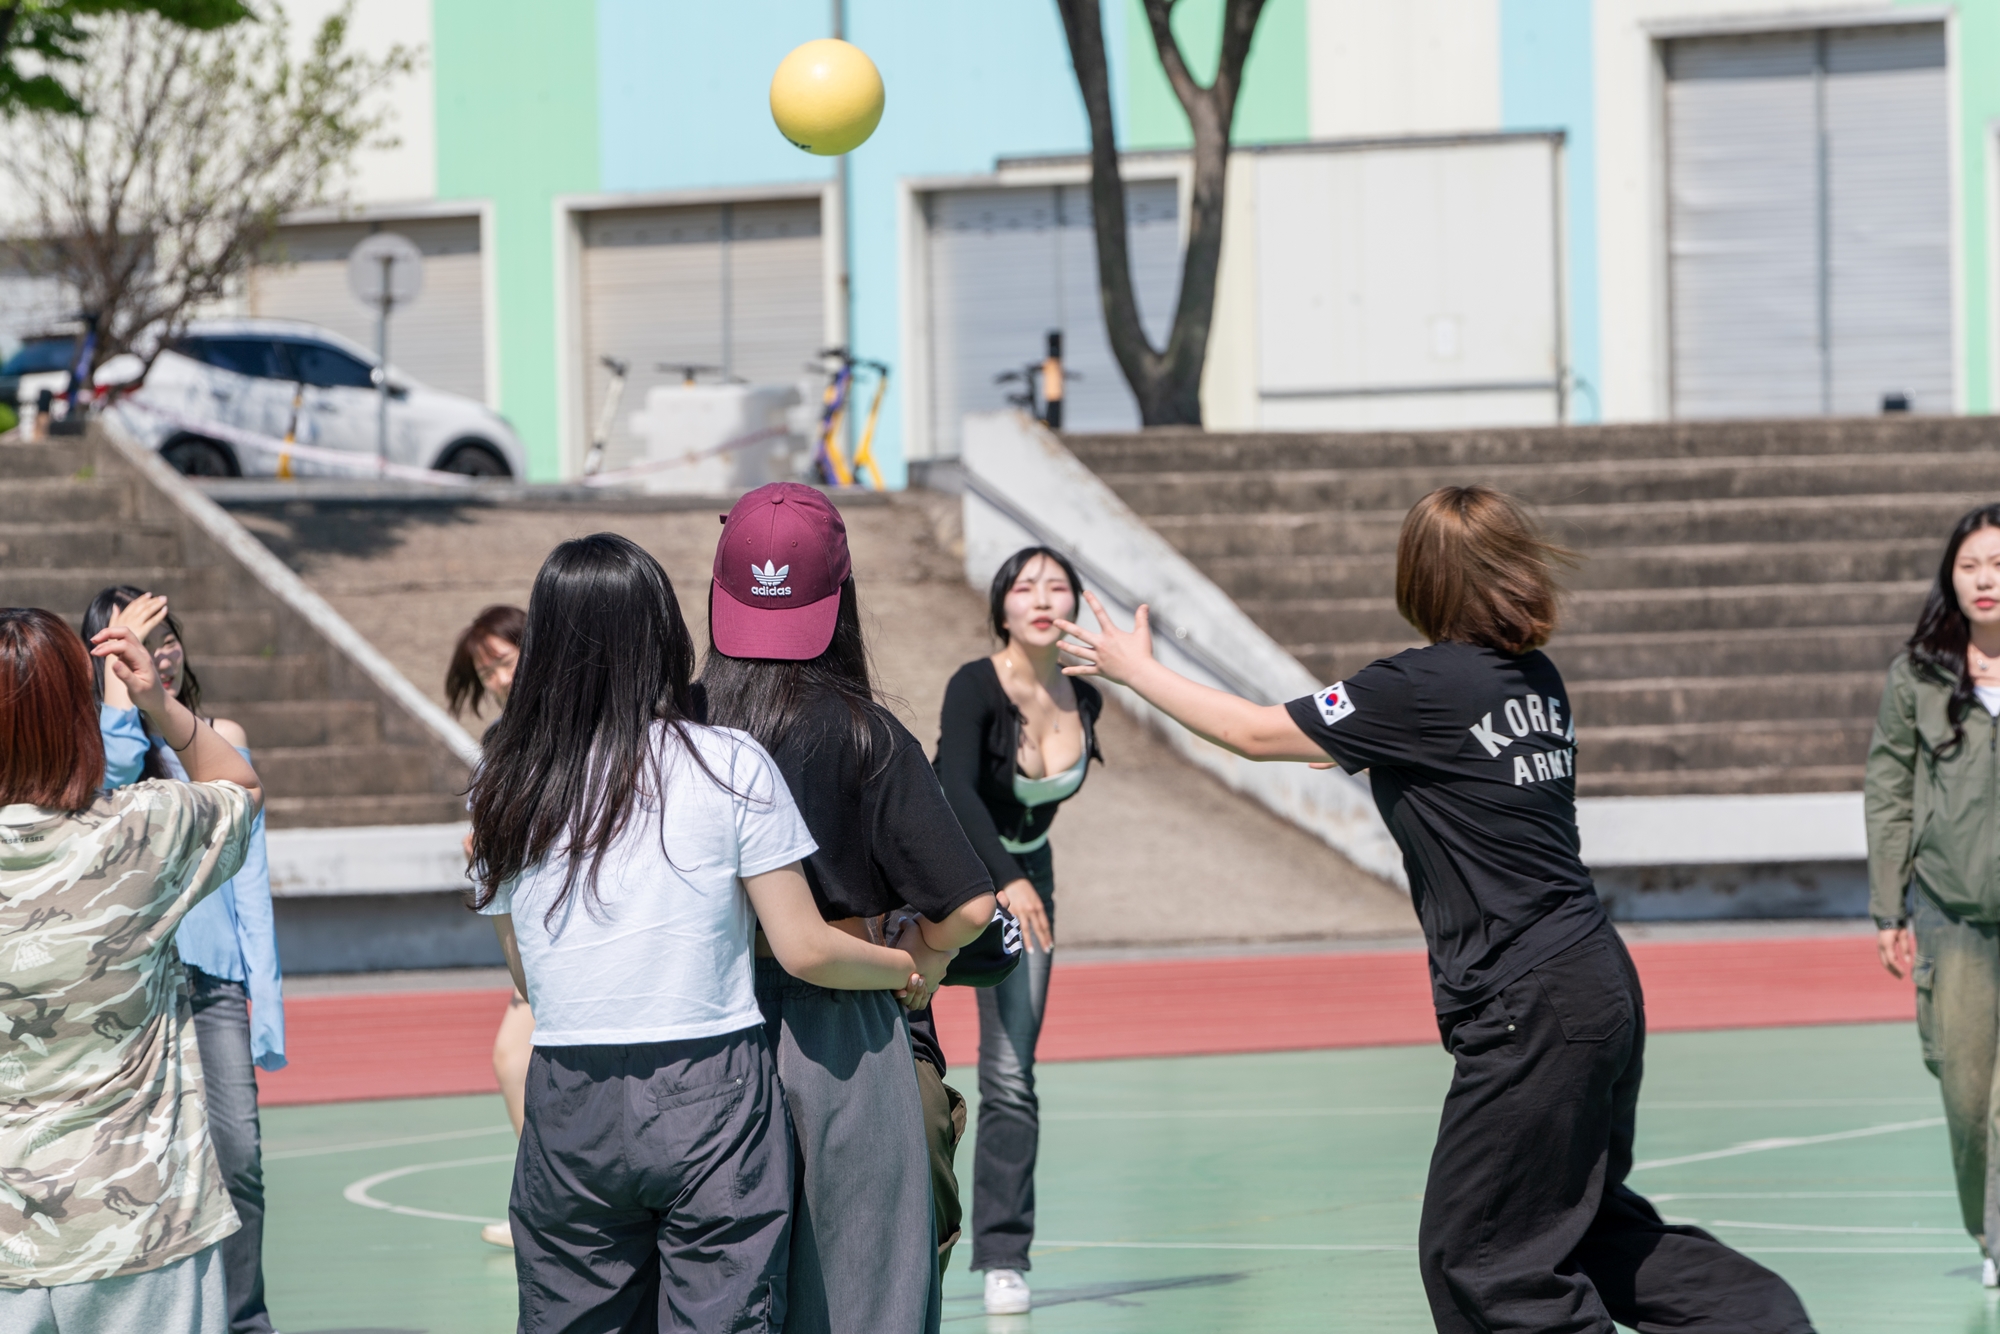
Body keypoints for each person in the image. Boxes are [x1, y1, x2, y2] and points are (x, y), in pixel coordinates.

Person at [1056, 486, 1815, 1334]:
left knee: (1479, 1258)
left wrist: (1135, 670)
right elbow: (1453, 768)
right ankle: (1760, 1318)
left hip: (1528, 1002)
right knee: (1587, 1227)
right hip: (1597, 983)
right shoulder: (1534, 679)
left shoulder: (1415, 687)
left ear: (1419, 579)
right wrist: (1359, 746)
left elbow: (1251, 732)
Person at [467, 533, 933, 1333]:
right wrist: (898, 968)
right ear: (664, 636)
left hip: (569, 1089)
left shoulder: (507, 781)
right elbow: (805, 948)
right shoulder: (725, 763)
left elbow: (527, 975)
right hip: (707, 1080)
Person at [700, 482, 997, 1334]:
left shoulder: (679, 722)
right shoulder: (867, 734)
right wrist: (923, 964)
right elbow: (969, 903)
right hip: (843, 1035)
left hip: (701, 1021)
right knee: (864, 1295)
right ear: (841, 597)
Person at [0, 609, 263, 1332]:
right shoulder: (137, 830)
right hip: (140, 1223)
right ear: (78, 719)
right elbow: (240, 788)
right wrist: (158, 703)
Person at [81, 586, 286, 1334]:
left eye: (163, 635)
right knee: (141, 1167)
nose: (156, 650)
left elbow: (251, 875)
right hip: (130, 987)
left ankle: (243, 1318)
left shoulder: (211, 740)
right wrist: (121, 698)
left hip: (213, 980)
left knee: (238, 1158)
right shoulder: (95, 750)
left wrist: (267, 996)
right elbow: (106, 777)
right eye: (130, 639)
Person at [932, 545, 1101, 1316]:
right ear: (1000, 604)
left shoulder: (1084, 696)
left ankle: (1002, 1255)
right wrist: (1005, 879)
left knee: (1010, 1074)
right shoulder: (974, 685)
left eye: (1057, 586)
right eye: (1025, 586)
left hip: (1032, 883)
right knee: (906, 1060)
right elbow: (953, 789)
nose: (1042, 597)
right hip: (948, 884)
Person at [1867, 501, 2000, 1288]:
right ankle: (1988, 1235)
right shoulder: (1918, 675)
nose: (1987, 582)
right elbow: (1889, 794)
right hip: (1951, 919)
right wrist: (1890, 906)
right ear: (1950, 578)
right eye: (1972, 566)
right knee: (1966, 1092)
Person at [445, 603, 532, 1251]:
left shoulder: (574, 727)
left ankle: (555, 1205)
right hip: (525, 926)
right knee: (513, 1057)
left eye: (503, 661)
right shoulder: (502, 742)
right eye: (486, 671)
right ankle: (543, 1203)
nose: (498, 679)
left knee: (524, 1058)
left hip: (572, 931)